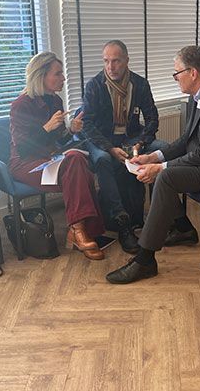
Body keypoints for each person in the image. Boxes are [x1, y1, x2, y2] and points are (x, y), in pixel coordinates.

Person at [106, 45, 200, 284]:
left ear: (193, 72)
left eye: (177, 73)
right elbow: (187, 139)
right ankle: (184, 228)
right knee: (160, 170)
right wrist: (153, 158)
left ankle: (145, 260)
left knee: (165, 177)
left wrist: (161, 168)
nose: (175, 78)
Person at [9, 52, 105, 260]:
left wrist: (70, 130)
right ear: (41, 75)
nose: (63, 78)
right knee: (76, 163)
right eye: (58, 74)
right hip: (25, 164)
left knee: (77, 158)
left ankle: (77, 230)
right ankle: (80, 231)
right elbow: (23, 149)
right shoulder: (20, 105)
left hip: (50, 158)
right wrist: (46, 127)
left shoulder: (55, 101)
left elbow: (58, 142)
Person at [81, 40, 166, 254]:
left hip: (133, 139)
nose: (110, 67)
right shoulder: (94, 86)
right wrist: (110, 148)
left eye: (116, 61)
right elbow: (87, 124)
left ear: (127, 61)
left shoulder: (140, 84)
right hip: (103, 140)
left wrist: (141, 143)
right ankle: (123, 223)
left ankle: (163, 217)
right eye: (106, 61)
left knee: (164, 149)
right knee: (103, 159)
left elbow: (152, 118)